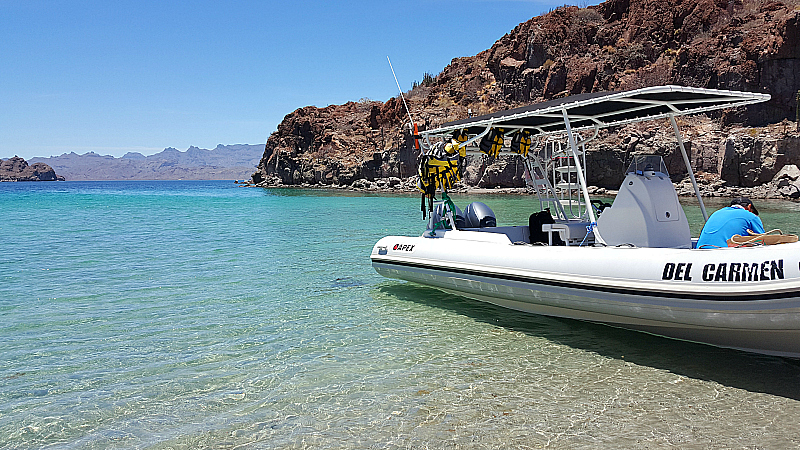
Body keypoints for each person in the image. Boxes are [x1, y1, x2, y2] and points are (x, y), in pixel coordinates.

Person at [696, 197, 765, 248]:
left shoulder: (717, 213)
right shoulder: (751, 216)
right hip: (721, 254)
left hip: (700, 250)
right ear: (749, 207)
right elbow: (762, 241)